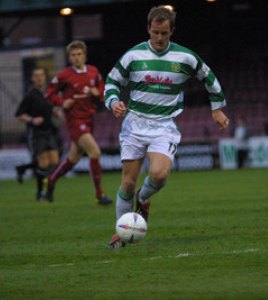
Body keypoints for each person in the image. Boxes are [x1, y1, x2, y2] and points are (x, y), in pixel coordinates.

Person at [104, 5, 230, 249]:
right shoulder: (133, 56)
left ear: (172, 32)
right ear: (148, 29)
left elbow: (209, 78)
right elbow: (111, 82)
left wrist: (216, 108)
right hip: (134, 124)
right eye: (155, 33)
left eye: (164, 33)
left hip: (164, 126)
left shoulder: (185, 57)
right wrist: (113, 102)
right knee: (127, 183)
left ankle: (143, 198)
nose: (159, 38)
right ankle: (122, 233)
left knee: (159, 175)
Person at [46, 40, 112, 205]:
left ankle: (51, 181)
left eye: (79, 54)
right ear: (69, 58)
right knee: (95, 152)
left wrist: (98, 92)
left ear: (84, 55)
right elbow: (49, 94)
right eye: (73, 55)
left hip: (89, 119)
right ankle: (99, 195)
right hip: (75, 121)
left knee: (73, 159)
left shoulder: (93, 71)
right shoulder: (64, 75)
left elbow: (102, 89)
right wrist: (62, 102)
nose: (76, 57)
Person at [15, 67, 60, 200]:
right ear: (33, 79)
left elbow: (51, 108)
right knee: (43, 164)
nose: (40, 78)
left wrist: (55, 112)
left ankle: (22, 169)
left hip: (49, 131)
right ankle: (41, 193)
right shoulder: (30, 95)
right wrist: (32, 120)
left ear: (45, 78)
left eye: (41, 75)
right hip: (37, 133)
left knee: (54, 161)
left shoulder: (48, 94)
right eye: (37, 75)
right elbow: (19, 114)